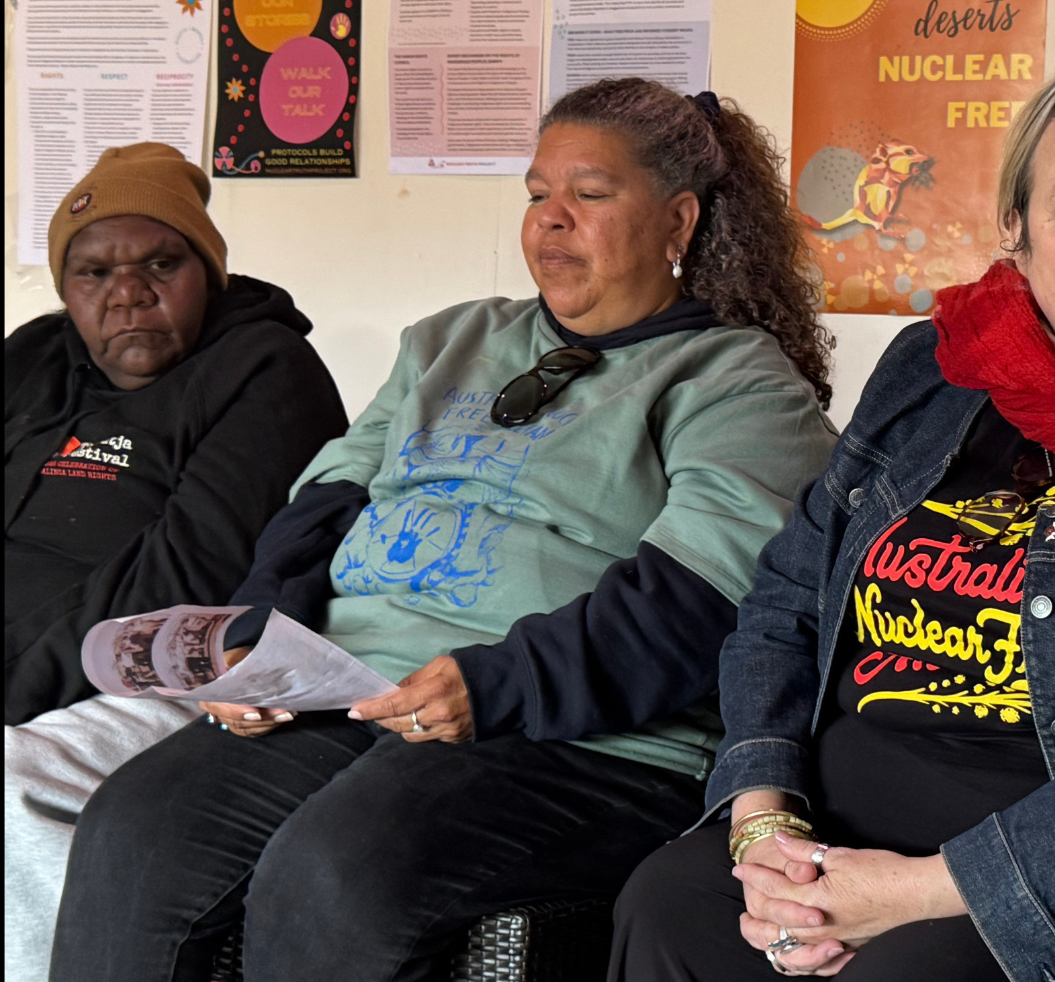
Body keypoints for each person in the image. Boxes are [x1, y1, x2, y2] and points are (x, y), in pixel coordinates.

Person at [50, 79, 840, 982]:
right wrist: (261, 639)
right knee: (135, 825)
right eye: (538, 194)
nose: (551, 220)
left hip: (579, 737)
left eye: (589, 194)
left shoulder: (737, 386)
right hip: (354, 691)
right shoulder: (449, 340)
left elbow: (693, 608)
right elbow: (323, 505)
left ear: (679, 221)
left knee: (336, 870)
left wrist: (498, 682)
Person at [611, 48, 1055, 981]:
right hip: (832, 829)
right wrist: (764, 822)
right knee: (667, 905)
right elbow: (788, 601)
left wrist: (920, 891)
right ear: (1017, 231)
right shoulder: (932, 370)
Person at [4, 142, 347, 982]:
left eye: (161, 263)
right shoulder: (34, 359)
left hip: (154, 673)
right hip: (22, 668)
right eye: (94, 273)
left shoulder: (266, 370)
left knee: (9, 786)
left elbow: (181, 580)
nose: (128, 292)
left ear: (209, 273)